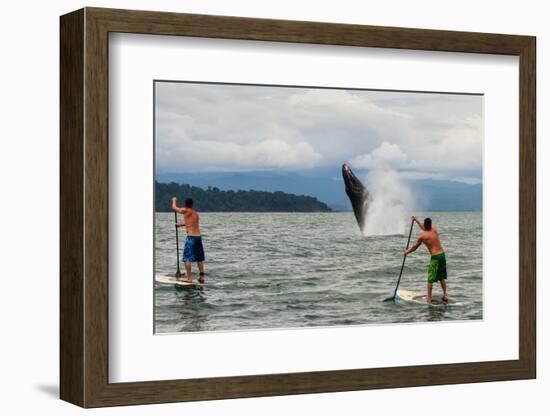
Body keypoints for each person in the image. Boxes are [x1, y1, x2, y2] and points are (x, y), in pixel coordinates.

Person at [404, 216, 448, 303]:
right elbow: (423, 227)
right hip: (442, 255)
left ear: (425, 225)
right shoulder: (434, 230)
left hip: (435, 257)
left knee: (430, 278)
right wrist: (416, 220)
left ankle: (429, 298)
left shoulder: (422, 236)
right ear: (431, 225)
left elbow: (414, 247)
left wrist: (407, 252)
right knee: (441, 277)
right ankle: (445, 295)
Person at [171, 197, 206, 284]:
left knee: (187, 258)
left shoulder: (186, 210)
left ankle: (189, 278)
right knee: (199, 258)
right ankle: (201, 277)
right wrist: (179, 225)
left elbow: (175, 208)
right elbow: (190, 223)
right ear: (192, 204)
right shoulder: (195, 213)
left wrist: (174, 200)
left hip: (191, 238)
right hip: (198, 237)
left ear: (186, 204)